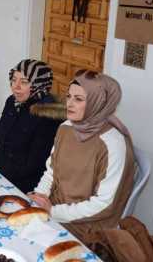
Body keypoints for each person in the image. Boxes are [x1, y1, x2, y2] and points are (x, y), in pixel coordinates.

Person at [29, 70, 135, 243]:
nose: (69, 103)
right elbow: (52, 171)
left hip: (88, 225)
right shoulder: (66, 127)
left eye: (78, 99)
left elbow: (104, 204)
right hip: (55, 208)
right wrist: (39, 197)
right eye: (68, 96)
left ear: (99, 103)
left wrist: (54, 212)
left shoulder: (113, 145)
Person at [0, 59, 64, 193]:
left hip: (21, 185)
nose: (16, 86)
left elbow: (34, 163)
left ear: (39, 85)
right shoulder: (12, 102)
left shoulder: (47, 115)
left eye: (24, 82)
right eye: (14, 80)